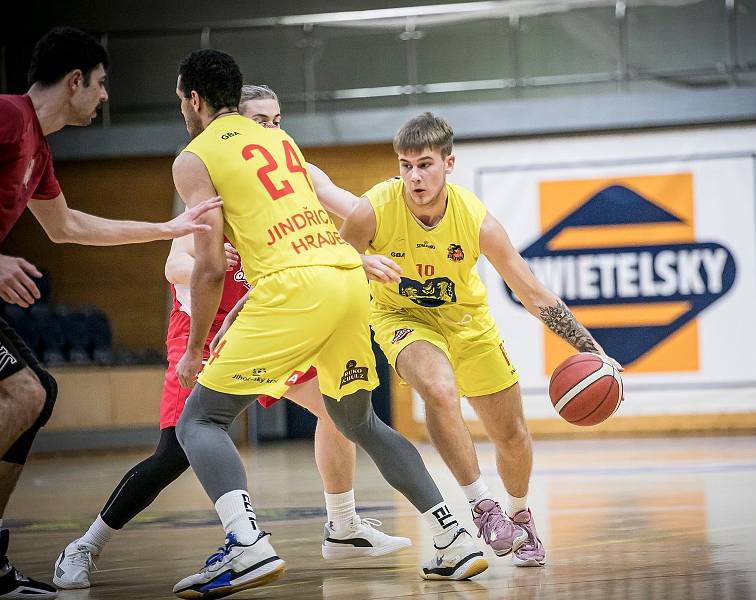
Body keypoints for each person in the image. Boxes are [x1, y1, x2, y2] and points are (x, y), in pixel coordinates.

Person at [51, 87, 409, 590]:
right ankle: (86, 544)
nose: (272, 129)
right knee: (174, 452)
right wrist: (216, 262)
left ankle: (344, 525)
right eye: (261, 119)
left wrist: (374, 242)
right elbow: (175, 263)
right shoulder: (212, 179)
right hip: (205, 327)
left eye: (278, 119)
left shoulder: (287, 174)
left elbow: (339, 217)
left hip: (268, 321)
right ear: (233, 122)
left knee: (336, 408)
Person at [170, 50, 486, 599]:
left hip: (293, 290)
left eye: (181, 101)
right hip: (345, 278)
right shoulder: (283, 142)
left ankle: (245, 545)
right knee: (357, 420)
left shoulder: (194, 157)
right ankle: (453, 536)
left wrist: (195, 347)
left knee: (199, 420)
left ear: (194, 100)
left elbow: (212, 263)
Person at [340, 112, 623, 568]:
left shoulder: (475, 220)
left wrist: (590, 349)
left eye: (425, 164)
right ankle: (481, 506)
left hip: (469, 324)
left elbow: (531, 292)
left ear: (449, 164)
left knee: (511, 435)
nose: (414, 176)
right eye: (405, 165)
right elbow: (333, 257)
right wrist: (360, 263)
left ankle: (519, 514)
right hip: (400, 317)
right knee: (438, 388)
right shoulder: (373, 208)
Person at [0, 27, 219, 600]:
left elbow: (69, 227)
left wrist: (166, 229)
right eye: (99, 85)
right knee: (28, 393)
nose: (103, 98)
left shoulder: (38, 150)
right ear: (75, 81)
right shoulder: (6, 117)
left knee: (33, 394)